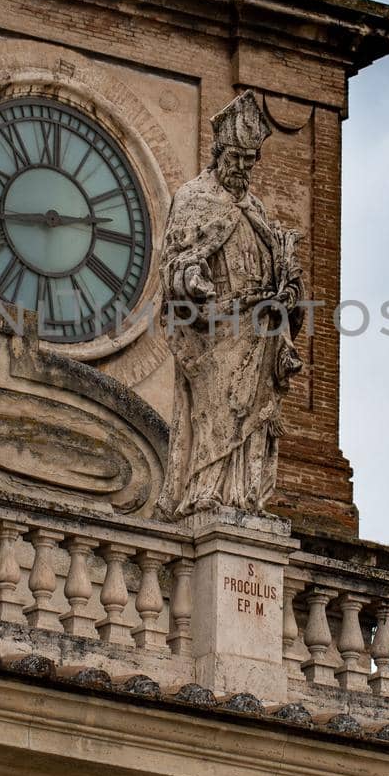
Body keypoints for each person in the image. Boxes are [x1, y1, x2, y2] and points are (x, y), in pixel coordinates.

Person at [158, 91, 305, 519]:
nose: (242, 168)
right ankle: (204, 489)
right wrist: (193, 282)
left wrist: (288, 290)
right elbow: (176, 262)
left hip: (259, 329)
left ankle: (243, 496)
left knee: (251, 417)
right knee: (216, 410)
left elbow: (279, 266)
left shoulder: (256, 209)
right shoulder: (193, 199)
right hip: (215, 327)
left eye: (250, 160)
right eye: (236, 158)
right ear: (219, 153)